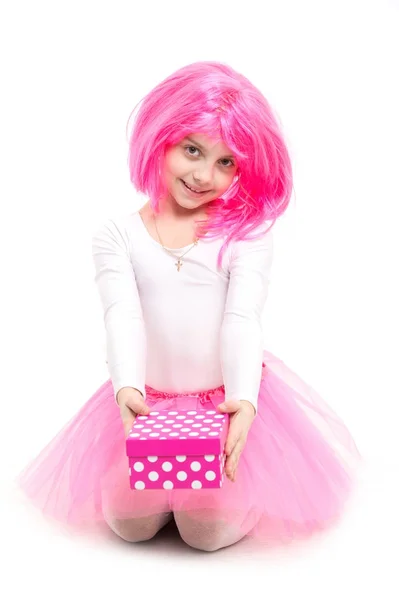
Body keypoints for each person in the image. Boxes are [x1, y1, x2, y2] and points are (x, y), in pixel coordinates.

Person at [16, 61, 361, 552]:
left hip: (223, 399)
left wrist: (243, 401)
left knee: (204, 533)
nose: (204, 176)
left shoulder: (246, 236)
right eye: (192, 151)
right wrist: (127, 387)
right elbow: (123, 315)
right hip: (152, 402)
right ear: (161, 141)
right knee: (129, 525)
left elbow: (242, 319)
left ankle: (239, 495)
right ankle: (172, 495)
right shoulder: (118, 235)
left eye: (226, 163)